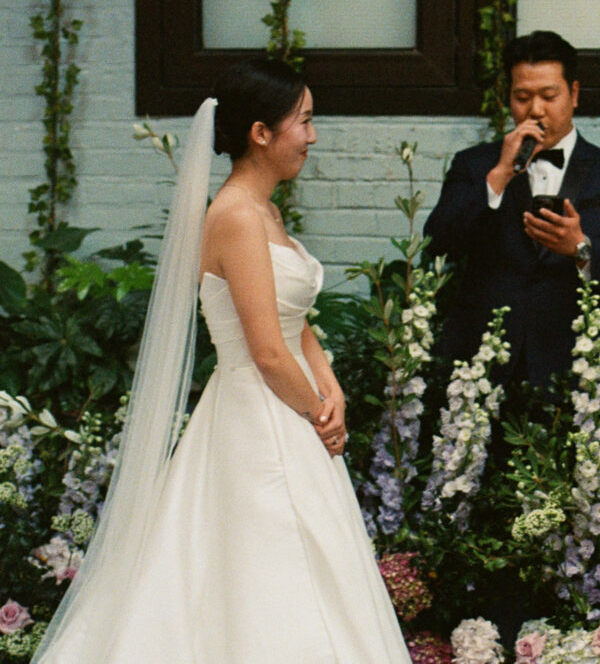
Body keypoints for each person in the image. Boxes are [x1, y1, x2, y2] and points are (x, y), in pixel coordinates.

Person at [31, 59, 412, 663]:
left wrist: (330, 382)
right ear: (261, 132)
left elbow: (292, 319)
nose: (312, 136)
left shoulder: (266, 211)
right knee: (267, 573)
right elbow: (263, 350)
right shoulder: (235, 215)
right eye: (304, 121)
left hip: (290, 406)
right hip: (261, 415)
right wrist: (321, 414)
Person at [424, 30, 600, 389]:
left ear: (574, 94)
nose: (535, 110)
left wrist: (581, 249)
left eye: (549, 96)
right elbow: (436, 243)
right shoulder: (474, 165)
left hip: (575, 370)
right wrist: (498, 177)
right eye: (522, 97)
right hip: (482, 367)